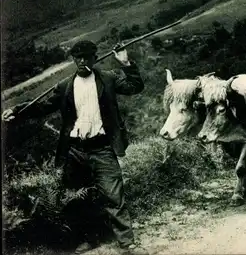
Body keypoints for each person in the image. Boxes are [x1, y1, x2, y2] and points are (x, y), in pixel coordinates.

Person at [2, 40, 148, 255]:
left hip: (102, 148)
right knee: (76, 197)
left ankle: (127, 242)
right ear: (73, 59)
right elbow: (42, 107)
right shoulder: (65, 86)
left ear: (94, 58)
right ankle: (89, 239)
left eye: (86, 57)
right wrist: (17, 111)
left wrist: (126, 63)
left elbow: (135, 87)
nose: (81, 61)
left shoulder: (108, 79)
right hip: (75, 150)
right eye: (77, 57)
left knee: (113, 195)